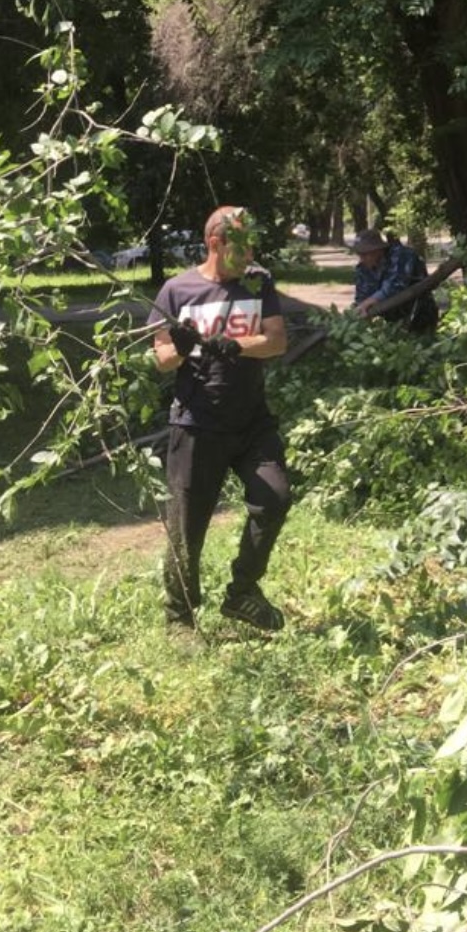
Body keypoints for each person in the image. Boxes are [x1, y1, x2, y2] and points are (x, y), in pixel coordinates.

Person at [148, 206, 291, 633]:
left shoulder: (257, 281)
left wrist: (236, 345)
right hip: (197, 423)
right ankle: (180, 618)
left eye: (252, 245)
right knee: (186, 528)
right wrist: (180, 346)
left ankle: (242, 592)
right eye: (241, 246)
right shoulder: (176, 291)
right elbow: (162, 359)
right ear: (215, 243)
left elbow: (277, 341)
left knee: (275, 498)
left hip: (252, 422)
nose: (250, 254)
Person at [351, 228, 439, 333]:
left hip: (418, 316)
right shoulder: (362, 269)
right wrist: (361, 309)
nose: (362, 258)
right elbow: (361, 297)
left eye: (365, 254)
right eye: (359, 254)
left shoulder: (402, 255)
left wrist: (368, 302)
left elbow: (395, 286)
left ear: (378, 250)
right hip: (389, 323)